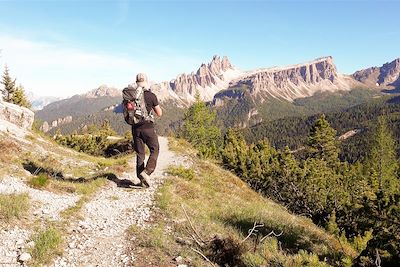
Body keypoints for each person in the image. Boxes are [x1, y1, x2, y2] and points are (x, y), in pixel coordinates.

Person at [131, 73, 162, 187]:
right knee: (155, 149)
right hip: (148, 128)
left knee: (140, 154)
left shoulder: (131, 95)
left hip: (135, 128)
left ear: (136, 83)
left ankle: (141, 180)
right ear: (146, 82)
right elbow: (159, 113)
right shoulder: (151, 95)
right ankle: (147, 172)